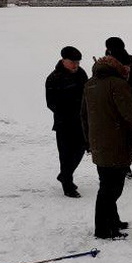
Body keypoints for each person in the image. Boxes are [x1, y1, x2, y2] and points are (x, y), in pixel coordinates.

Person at [81, 55, 132, 240]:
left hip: (100, 143)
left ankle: (112, 221)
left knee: (107, 185)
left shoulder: (91, 84)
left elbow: (83, 115)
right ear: (117, 68)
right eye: (126, 68)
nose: (129, 71)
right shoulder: (117, 84)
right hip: (115, 144)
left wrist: (89, 140)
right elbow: (131, 113)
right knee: (111, 189)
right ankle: (103, 229)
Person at [45, 46, 88, 198]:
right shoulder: (54, 78)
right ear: (64, 61)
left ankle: (64, 174)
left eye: (78, 62)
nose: (76, 65)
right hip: (64, 123)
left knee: (81, 149)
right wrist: (67, 111)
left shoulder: (81, 74)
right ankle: (67, 185)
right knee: (66, 154)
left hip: (81, 121)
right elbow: (51, 103)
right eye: (72, 62)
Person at [105, 37, 132, 179]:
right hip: (114, 108)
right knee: (118, 138)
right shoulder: (105, 63)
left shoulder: (131, 60)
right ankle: (122, 166)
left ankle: (125, 164)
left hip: (131, 105)